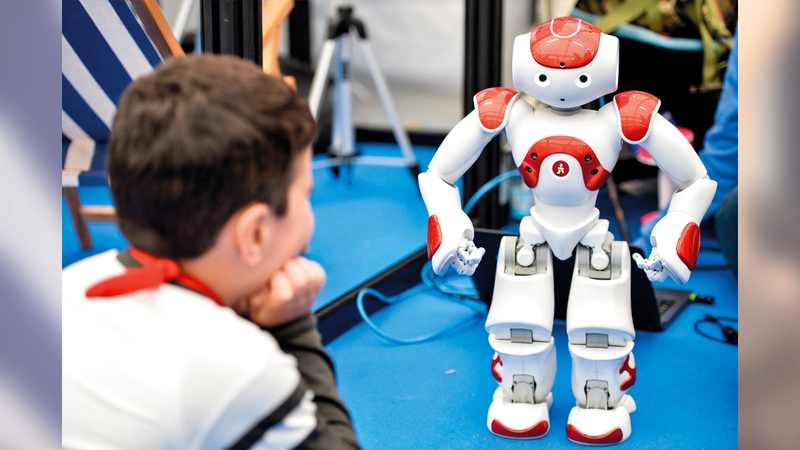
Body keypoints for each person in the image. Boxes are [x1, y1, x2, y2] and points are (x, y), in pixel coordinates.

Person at [62, 54, 360, 450]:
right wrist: (292, 329)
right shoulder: (237, 367)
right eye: (306, 194)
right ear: (255, 234)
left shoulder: (73, 282)